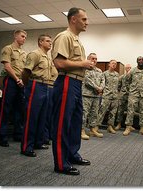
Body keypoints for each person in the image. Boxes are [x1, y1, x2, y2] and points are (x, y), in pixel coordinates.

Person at [51, 7, 93, 176]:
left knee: (75, 123)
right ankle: (61, 163)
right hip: (66, 81)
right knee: (62, 124)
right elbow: (59, 63)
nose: (87, 22)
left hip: (77, 83)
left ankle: (72, 155)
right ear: (73, 19)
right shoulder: (64, 36)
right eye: (84, 19)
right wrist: (83, 64)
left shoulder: (77, 40)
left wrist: (84, 64)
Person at [20, 34, 54, 157]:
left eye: (51, 41)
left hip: (46, 87)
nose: (50, 43)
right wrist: (27, 86)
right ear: (40, 42)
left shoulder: (48, 57)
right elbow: (26, 72)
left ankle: (38, 142)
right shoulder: (35, 54)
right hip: (35, 85)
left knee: (42, 117)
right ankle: (26, 147)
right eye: (48, 41)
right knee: (32, 117)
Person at [0, 30, 27, 147]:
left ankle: (18, 134)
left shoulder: (24, 53)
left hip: (21, 82)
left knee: (19, 110)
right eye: (22, 36)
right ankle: (2, 136)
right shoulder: (8, 49)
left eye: (25, 37)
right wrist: (16, 79)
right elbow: (7, 66)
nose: (24, 38)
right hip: (11, 81)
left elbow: (25, 69)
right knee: (6, 109)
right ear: (16, 36)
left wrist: (23, 81)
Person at [123, 56, 143, 136]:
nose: (141, 61)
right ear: (137, 61)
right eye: (139, 60)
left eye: (142, 60)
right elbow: (126, 81)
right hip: (133, 94)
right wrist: (130, 90)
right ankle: (128, 127)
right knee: (130, 110)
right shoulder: (132, 71)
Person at [81, 53, 105, 140]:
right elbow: (87, 80)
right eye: (92, 58)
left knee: (94, 113)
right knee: (84, 113)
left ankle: (92, 129)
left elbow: (103, 80)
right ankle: (82, 130)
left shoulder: (99, 70)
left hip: (96, 95)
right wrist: (97, 87)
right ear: (88, 59)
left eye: (95, 59)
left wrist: (101, 88)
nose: (94, 60)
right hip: (86, 94)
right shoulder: (85, 69)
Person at [95, 59, 119, 134]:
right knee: (102, 111)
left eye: (115, 64)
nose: (114, 65)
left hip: (115, 96)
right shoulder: (104, 74)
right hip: (106, 95)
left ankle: (110, 126)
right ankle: (96, 126)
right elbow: (101, 84)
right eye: (112, 63)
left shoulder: (117, 74)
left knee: (113, 112)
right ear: (109, 64)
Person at [115, 63, 132, 131]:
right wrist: (122, 92)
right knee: (120, 110)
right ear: (125, 69)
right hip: (123, 95)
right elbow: (118, 86)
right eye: (127, 68)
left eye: (130, 68)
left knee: (130, 111)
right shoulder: (121, 77)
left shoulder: (133, 77)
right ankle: (119, 124)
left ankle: (129, 126)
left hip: (131, 95)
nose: (129, 69)